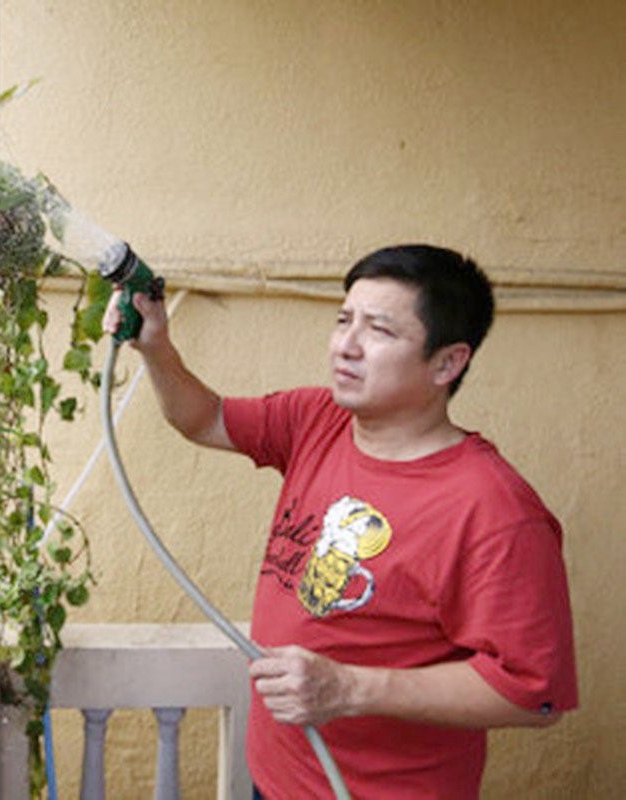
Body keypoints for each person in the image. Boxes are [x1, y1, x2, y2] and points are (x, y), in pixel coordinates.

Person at [104, 244, 577, 799]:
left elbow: (533, 694)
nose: (345, 346)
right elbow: (204, 419)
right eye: (343, 320)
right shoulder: (317, 420)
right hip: (275, 781)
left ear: (448, 362)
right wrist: (156, 348)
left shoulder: (493, 510)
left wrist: (349, 688)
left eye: (378, 330)